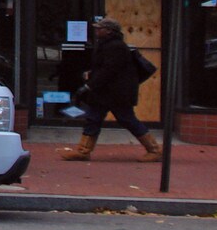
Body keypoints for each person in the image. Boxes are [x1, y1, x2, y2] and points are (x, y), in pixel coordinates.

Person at [62, 17, 160, 161]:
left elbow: (109, 70)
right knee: (93, 118)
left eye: (99, 28)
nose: (96, 30)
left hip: (116, 93)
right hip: (105, 92)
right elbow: (104, 67)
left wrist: (90, 85)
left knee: (126, 119)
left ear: (109, 31)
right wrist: (91, 73)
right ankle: (83, 151)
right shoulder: (106, 45)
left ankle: (154, 150)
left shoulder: (115, 46)